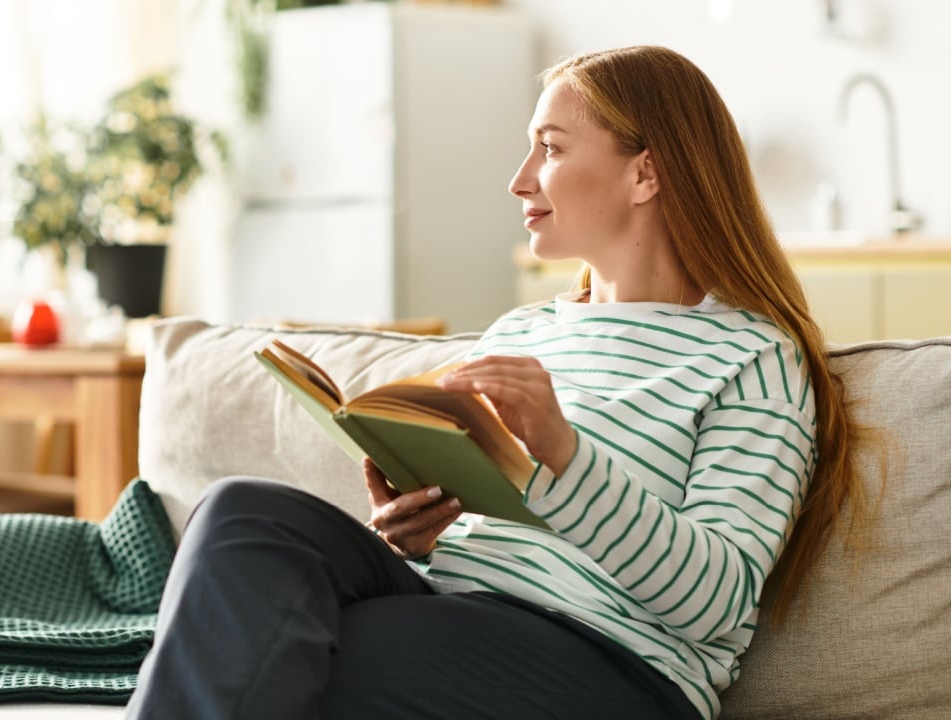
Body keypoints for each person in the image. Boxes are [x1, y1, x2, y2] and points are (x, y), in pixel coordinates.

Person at [125, 45, 869, 720]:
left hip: (614, 668)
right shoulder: (524, 332)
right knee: (244, 516)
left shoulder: (752, 357)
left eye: (549, 149)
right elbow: (486, 550)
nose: (518, 180)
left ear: (645, 172)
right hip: (459, 618)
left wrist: (564, 458)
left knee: (284, 644)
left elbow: (718, 601)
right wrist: (422, 538)